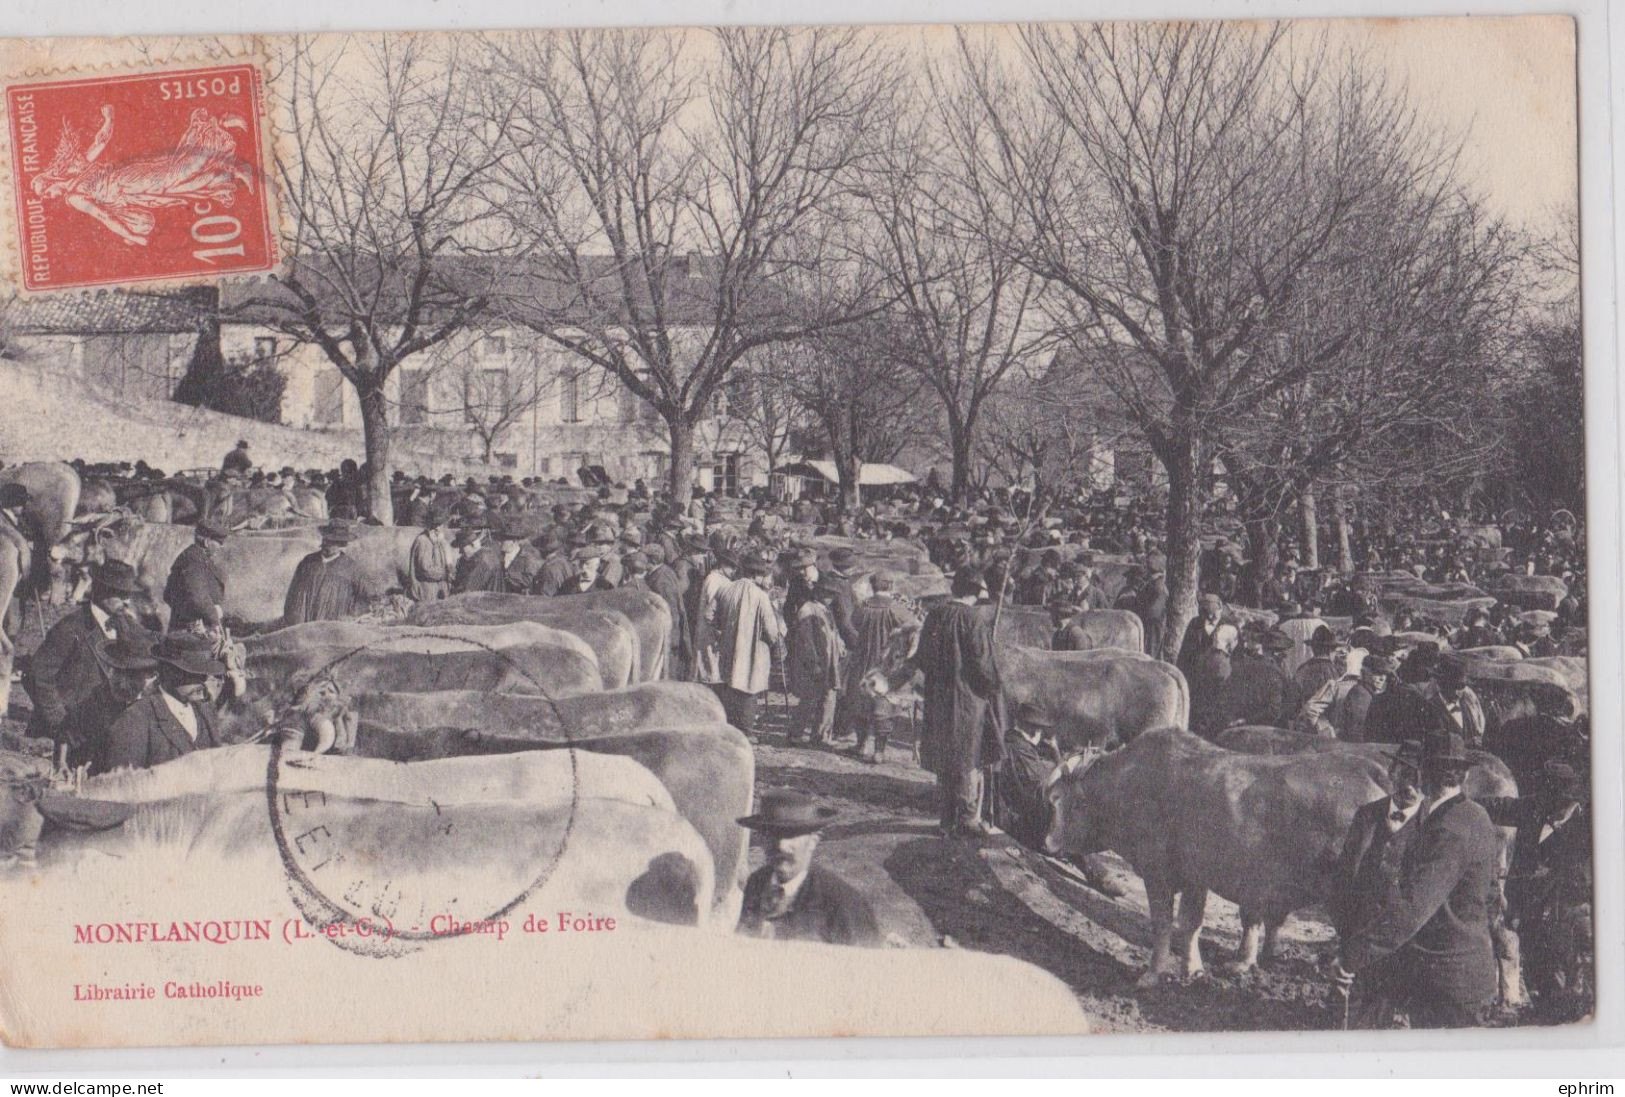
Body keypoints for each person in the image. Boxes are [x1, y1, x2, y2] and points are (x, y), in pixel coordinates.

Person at [1333, 733, 1502, 1028]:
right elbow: (1490, 895)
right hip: (1461, 972)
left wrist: (1353, 956)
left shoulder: (1448, 829)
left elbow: (1412, 907)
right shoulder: (1475, 814)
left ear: (1426, 774)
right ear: (1462, 775)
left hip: (1448, 983)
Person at [1479, 760, 1592, 1011]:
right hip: (1528, 917)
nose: (1550, 809)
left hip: (1560, 920)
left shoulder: (1586, 832)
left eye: (1560, 804)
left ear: (1570, 801)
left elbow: (1580, 885)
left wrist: (1547, 878)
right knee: (1536, 979)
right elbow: (1499, 807)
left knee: (1562, 988)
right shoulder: (1535, 807)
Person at [1330, 741, 1428, 1028]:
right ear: (1391, 772)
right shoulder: (1367, 815)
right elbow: (1344, 882)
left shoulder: (1433, 827)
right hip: (1360, 938)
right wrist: (1345, 943)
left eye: (1419, 779)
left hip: (1406, 947)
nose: (1409, 785)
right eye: (1403, 774)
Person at [905, 569, 1004, 839]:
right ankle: (968, 817)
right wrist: (994, 688)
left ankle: (946, 819)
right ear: (975, 592)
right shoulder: (973, 619)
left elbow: (922, 659)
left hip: (938, 698)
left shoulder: (935, 615)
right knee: (968, 758)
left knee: (946, 757)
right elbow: (984, 666)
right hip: (967, 701)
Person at [736, 790, 879, 947]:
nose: (781, 846)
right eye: (772, 834)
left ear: (813, 841)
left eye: (791, 835)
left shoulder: (843, 904)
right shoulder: (757, 883)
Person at [24, 560, 144, 746]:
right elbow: (36, 676)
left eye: (128, 594)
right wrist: (61, 724)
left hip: (108, 732)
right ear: (101, 591)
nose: (127, 601)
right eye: (121, 594)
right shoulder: (70, 628)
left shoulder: (129, 624)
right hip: (66, 735)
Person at [101, 632, 228, 771]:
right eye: (193, 674)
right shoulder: (134, 719)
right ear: (169, 672)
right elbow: (124, 785)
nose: (203, 681)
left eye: (204, 673)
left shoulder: (205, 709)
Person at [60, 627, 160, 774]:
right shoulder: (99, 697)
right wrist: (62, 762)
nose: (122, 683)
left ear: (151, 676)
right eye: (118, 673)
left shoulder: (160, 704)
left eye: (133, 676)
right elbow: (68, 733)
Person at [844, 572, 918, 763]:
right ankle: (879, 751)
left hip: (862, 662)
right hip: (886, 665)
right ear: (890, 587)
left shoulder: (863, 607)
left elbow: (854, 624)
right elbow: (914, 626)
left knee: (862, 703)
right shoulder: (896, 609)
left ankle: (860, 745)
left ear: (873, 586)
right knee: (883, 706)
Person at [711, 553, 785, 739]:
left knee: (730, 683)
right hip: (754, 649)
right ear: (757, 575)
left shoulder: (725, 589)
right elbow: (771, 629)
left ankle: (729, 726)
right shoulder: (760, 596)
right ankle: (745, 731)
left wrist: (723, 629)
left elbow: (709, 616)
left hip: (729, 645)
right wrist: (779, 641)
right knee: (750, 686)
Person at [989, 701, 1063, 850]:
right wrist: (1058, 758)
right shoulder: (1020, 748)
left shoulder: (1010, 740)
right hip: (1020, 821)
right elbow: (1042, 784)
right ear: (1034, 730)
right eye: (1040, 728)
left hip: (1011, 812)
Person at [786, 581, 845, 746]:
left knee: (829, 695)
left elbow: (833, 632)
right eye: (827, 594)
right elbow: (806, 641)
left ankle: (821, 735)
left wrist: (840, 645)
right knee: (809, 698)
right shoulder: (806, 610)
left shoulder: (826, 610)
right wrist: (813, 663)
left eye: (832, 595)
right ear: (818, 593)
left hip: (829, 660)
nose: (830, 598)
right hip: (814, 662)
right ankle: (795, 734)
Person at [283, 520, 370, 624]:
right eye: (326, 539)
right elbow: (292, 594)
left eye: (333, 541)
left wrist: (351, 614)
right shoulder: (308, 562)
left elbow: (368, 598)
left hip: (331, 630)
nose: (327, 544)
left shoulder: (351, 568)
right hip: (304, 627)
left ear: (342, 544)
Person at [162, 516, 230, 633]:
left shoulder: (199, 558)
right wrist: (213, 616)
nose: (221, 547)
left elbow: (168, 595)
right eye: (219, 542)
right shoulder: (193, 561)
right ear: (207, 542)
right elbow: (198, 597)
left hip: (196, 627)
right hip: (193, 630)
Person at [407, 513, 455, 602]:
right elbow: (426, 570)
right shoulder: (423, 541)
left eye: (440, 524)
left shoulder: (440, 540)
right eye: (434, 525)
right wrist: (446, 574)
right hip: (427, 591)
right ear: (429, 525)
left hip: (438, 589)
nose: (438, 528)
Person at [1177, 593, 1225, 673]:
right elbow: (1184, 652)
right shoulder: (1195, 623)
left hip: (1216, 675)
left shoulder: (1229, 626)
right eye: (1207, 614)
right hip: (1195, 673)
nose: (1210, 617)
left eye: (1213, 614)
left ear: (1220, 609)